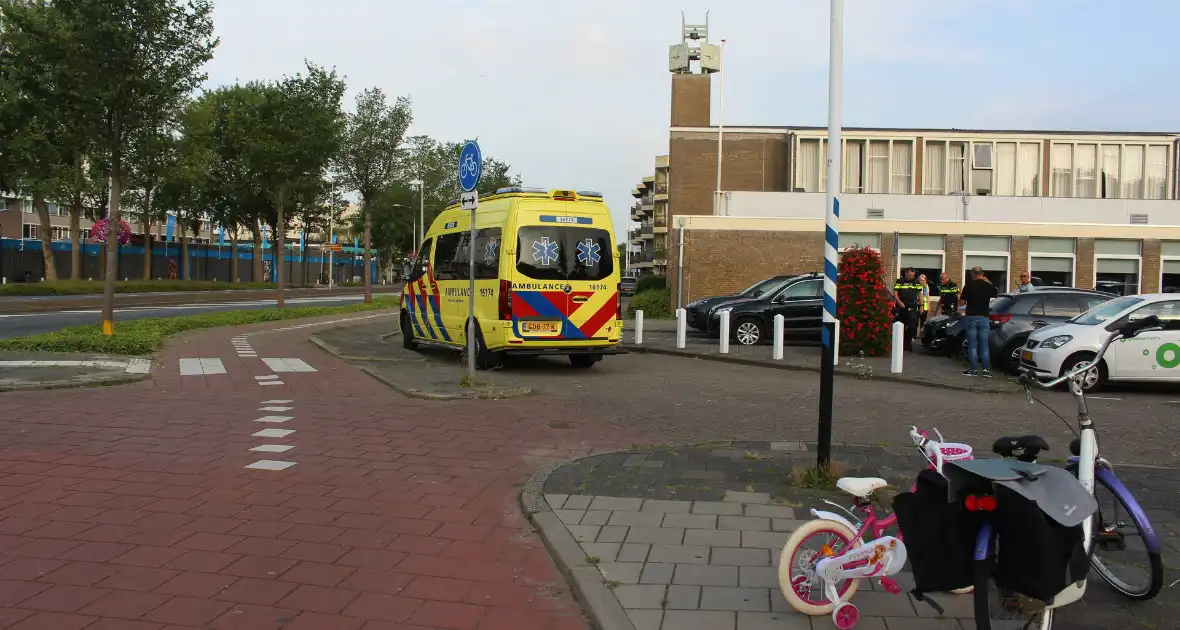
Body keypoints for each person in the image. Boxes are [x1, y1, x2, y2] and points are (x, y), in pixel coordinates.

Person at [959, 266, 999, 377]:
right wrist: (988, 281)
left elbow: (961, 302)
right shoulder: (988, 286)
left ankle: (973, 370)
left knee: (972, 344)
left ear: (972, 274)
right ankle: (986, 370)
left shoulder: (968, 285)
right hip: (984, 317)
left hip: (971, 317)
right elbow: (996, 293)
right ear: (982, 274)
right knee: (984, 345)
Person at [893, 267, 921, 352]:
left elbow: (920, 294)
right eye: (909, 275)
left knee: (912, 326)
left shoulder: (916, 282)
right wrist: (899, 302)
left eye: (912, 275)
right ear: (905, 273)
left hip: (912, 305)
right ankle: (900, 344)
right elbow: (895, 294)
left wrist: (922, 305)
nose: (911, 276)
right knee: (901, 325)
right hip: (902, 306)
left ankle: (908, 343)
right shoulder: (900, 281)